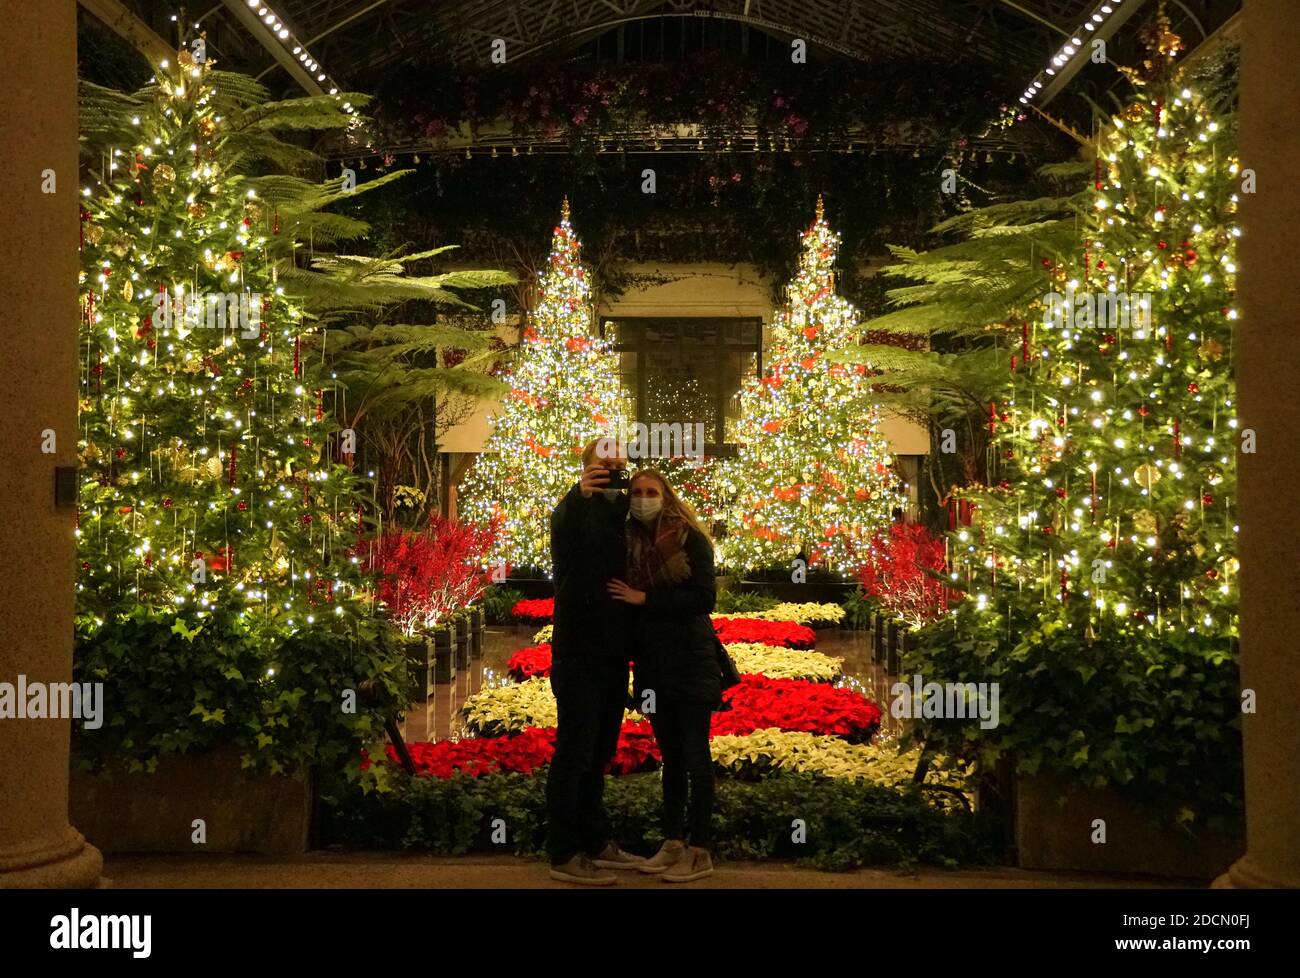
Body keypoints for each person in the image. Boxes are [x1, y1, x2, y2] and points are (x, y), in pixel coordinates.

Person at [607, 469, 719, 883]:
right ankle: (673, 843)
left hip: (690, 659)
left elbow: (705, 598)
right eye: (636, 492)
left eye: (651, 492)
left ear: (666, 496)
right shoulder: (628, 542)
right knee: (670, 758)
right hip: (654, 664)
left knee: (695, 756)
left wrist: (645, 598)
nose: (642, 498)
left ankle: (700, 849)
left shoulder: (690, 538)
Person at [545, 437, 646, 884]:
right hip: (578, 652)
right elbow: (563, 530)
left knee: (600, 750)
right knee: (575, 752)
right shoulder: (571, 512)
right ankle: (564, 853)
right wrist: (578, 494)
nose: (610, 472)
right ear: (586, 470)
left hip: (611, 654)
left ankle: (595, 840)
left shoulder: (625, 515)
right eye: (601, 467)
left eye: (617, 466)